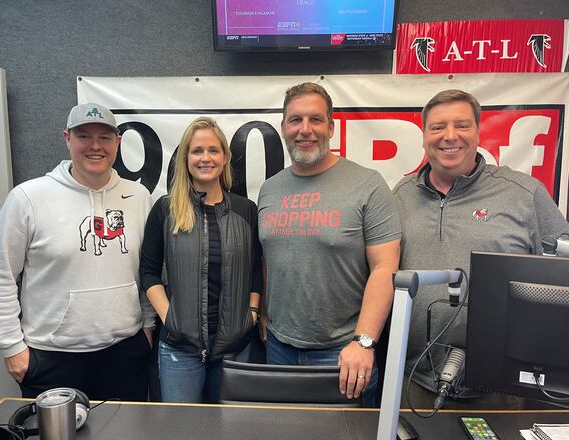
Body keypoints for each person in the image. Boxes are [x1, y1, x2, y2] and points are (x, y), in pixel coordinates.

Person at [392, 89, 569, 408]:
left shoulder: (523, 194)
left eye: (461, 125)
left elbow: (563, 274)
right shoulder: (401, 195)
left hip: (500, 388)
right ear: (423, 136)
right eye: (437, 127)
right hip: (413, 379)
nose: (450, 136)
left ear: (478, 131)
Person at [0, 103, 155, 401]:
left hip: (125, 354)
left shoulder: (139, 196)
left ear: (118, 142)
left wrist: (148, 327)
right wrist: (12, 347)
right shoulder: (28, 198)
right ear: (67, 139)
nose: (95, 146)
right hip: (52, 359)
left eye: (104, 137)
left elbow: (148, 268)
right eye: (84, 136)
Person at [257, 82, 401, 406]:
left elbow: (385, 268)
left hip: (344, 354)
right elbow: (270, 258)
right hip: (279, 349)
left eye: (315, 120)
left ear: (331, 127)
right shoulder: (269, 189)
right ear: (283, 127)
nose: (304, 130)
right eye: (295, 120)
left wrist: (364, 342)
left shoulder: (368, 185)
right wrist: (266, 313)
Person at [139, 117, 262, 403]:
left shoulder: (246, 211)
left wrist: (252, 315)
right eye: (197, 151)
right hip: (179, 350)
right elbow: (148, 271)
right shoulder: (165, 209)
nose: (205, 158)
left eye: (213, 150)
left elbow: (255, 269)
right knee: (182, 435)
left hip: (235, 349)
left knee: (233, 433)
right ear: (185, 158)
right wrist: (170, 317)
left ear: (225, 157)